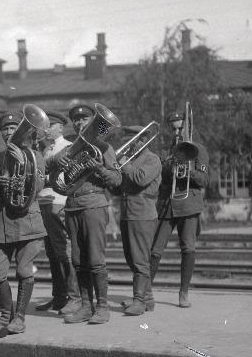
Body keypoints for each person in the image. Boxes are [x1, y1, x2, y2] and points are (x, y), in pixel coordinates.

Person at [50, 105, 122, 324]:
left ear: (93, 122)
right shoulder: (69, 149)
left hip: (94, 205)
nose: (80, 124)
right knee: (77, 260)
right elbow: (56, 182)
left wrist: (99, 168)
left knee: (96, 260)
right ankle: (85, 305)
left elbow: (117, 181)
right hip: (72, 205)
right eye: (76, 121)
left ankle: (102, 307)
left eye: (85, 120)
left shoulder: (104, 147)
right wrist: (57, 166)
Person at [0, 112, 47, 337]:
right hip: (2, 224)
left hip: (28, 223)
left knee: (23, 269)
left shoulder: (35, 155)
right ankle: (7, 315)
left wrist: (22, 165)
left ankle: (19, 318)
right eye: (6, 130)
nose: (9, 133)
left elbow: (36, 188)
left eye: (13, 129)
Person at [149, 111, 210, 308]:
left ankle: (184, 293)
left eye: (180, 127)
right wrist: (169, 167)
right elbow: (159, 175)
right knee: (154, 249)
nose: (177, 132)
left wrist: (186, 172)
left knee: (188, 248)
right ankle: (144, 294)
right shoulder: (167, 150)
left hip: (188, 204)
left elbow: (203, 180)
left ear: (188, 128)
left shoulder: (198, 149)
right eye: (173, 128)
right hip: (167, 205)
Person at [113, 125, 162, 315]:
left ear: (143, 140)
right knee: (131, 257)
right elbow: (119, 188)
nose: (128, 145)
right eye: (127, 141)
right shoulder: (130, 160)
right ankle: (147, 298)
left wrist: (124, 164)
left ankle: (139, 300)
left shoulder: (152, 159)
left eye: (132, 141)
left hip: (143, 214)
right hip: (127, 213)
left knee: (140, 259)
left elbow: (141, 179)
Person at [35, 111, 79, 314]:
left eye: (50, 125)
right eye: (44, 126)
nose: (46, 129)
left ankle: (73, 296)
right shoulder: (46, 150)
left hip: (57, 203)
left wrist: (42, 176)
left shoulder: (68, 147)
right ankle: (59, 297)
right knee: (52, 253)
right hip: (44, 202)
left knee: (64, 252)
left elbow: (60, 176)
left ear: (61, 127)